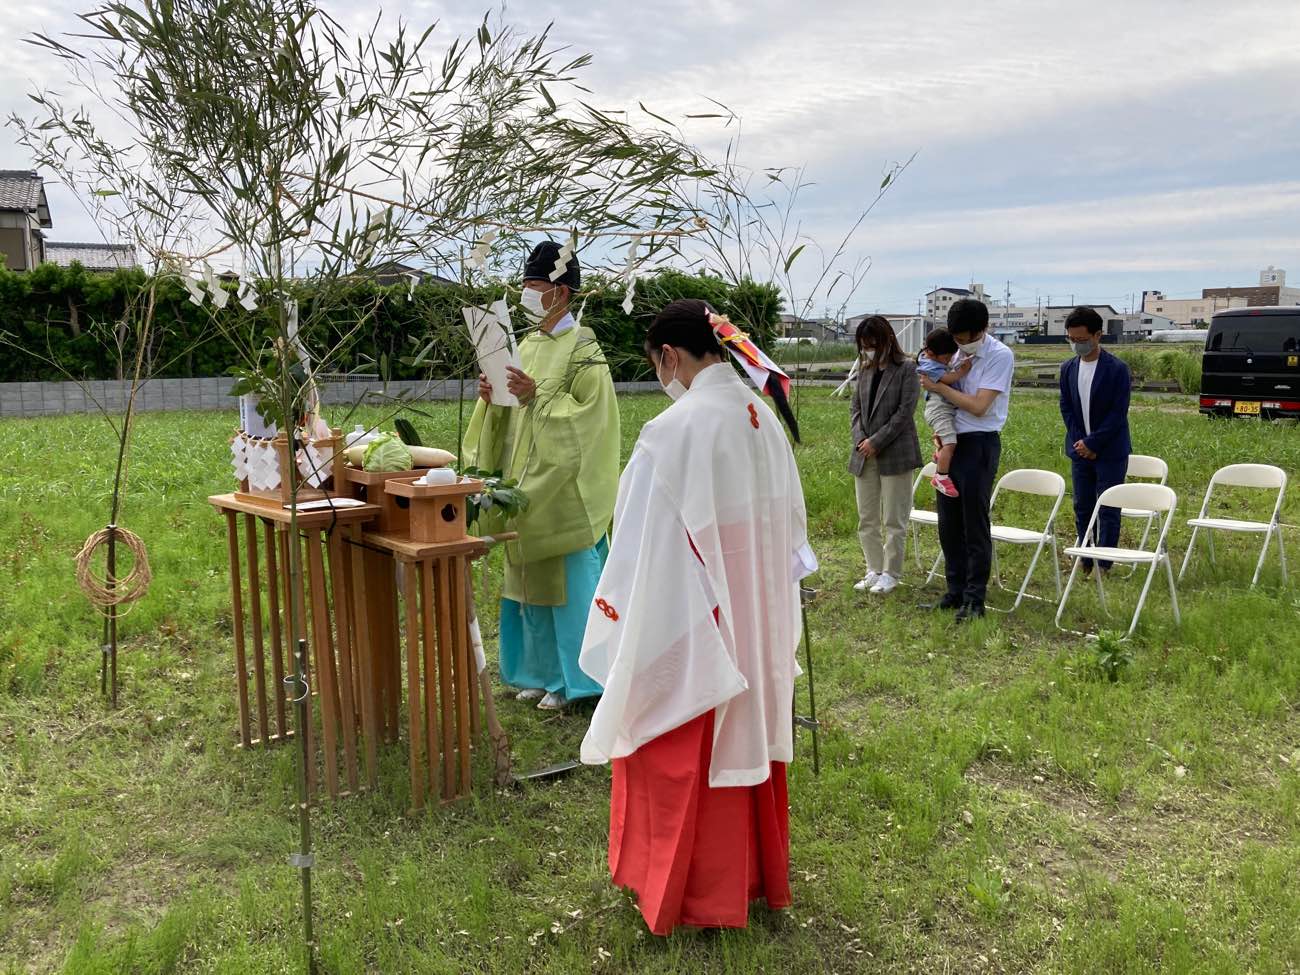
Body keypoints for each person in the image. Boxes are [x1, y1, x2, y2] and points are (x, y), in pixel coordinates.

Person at [578, 299, 817, 936]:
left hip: (696, 619)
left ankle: (688, 893)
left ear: (670, 357)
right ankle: (751, 881)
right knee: (748, 736)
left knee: (676, 742)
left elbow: (638, 545)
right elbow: (794, 537)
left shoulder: (674, 431)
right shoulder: (761, 418)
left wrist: (623, 620)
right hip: (757, 613)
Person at [462, 241, 619, 710]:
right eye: (526, 286)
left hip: (560, 488)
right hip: (520, 479)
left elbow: (593, 418)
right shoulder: (524, 343)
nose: (527, 295)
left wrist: (539, 399)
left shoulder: (584, 346)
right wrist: (491, 398)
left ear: (561, 293)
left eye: (535, 287)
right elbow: (509, 414)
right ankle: (536, 672)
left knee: (565, 587)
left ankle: (580, 679)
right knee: (524, 584)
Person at [918, 298, 1014, 622]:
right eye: (956, 339)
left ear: (982, 330)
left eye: (966, 338)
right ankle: (954, 590)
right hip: (952, 443)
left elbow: (978, 406)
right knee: (948, 523)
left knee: (974, 523)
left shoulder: (1000, 356)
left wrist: (938, 389)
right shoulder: (953, 351)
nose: (960, 345)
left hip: (979, 444)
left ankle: (975, 599)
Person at [848, 315, 922, 595]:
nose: (868, 350)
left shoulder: (906, 369)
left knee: (894, 518)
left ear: (887, 340)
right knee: (867, 517)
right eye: (864, 345)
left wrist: (876, 441)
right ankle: (873, 568)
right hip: (863, 454)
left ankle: (891, 572)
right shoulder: (864, 371)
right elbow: (854, 410)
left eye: (872, 344)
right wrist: (861, 440)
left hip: (896, 453)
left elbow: (904, 413)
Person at [1059, 306, 1132, 572]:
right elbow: (1066, 408)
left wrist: (1094, 443)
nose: (1076, 345)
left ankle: (1104, 563)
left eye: (1082, 340)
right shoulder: (1068, 368)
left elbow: (1117, 413)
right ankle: (1085, 557)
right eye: (1072, 339)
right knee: (1083, 506)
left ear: (1098, 335)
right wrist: (1081, 442)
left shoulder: (1117, 369)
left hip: (1110, 451)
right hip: (1079, 450)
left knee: (1109, 507)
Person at [916, 328, 973, 498]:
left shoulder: (929, 358)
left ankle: (940, 455)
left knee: (946, 439)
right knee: (950, 443)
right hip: (939, 409)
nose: (949, 361)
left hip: (943, 409)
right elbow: (948, 379)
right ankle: (940, 477)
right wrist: (962, 371)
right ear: (932, 354)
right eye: (947, 358)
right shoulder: (929, 366)